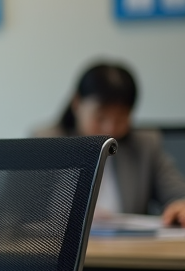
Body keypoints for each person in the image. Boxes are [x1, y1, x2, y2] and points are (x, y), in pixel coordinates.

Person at [36, 62, 185, 226]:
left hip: (130, 242)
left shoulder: (145, 145)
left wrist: (180, 206)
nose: (110, 128)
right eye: (100, 117)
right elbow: (23, 213)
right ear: (77, 103)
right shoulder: (46, 144)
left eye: (121, 118)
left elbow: (178, 194)